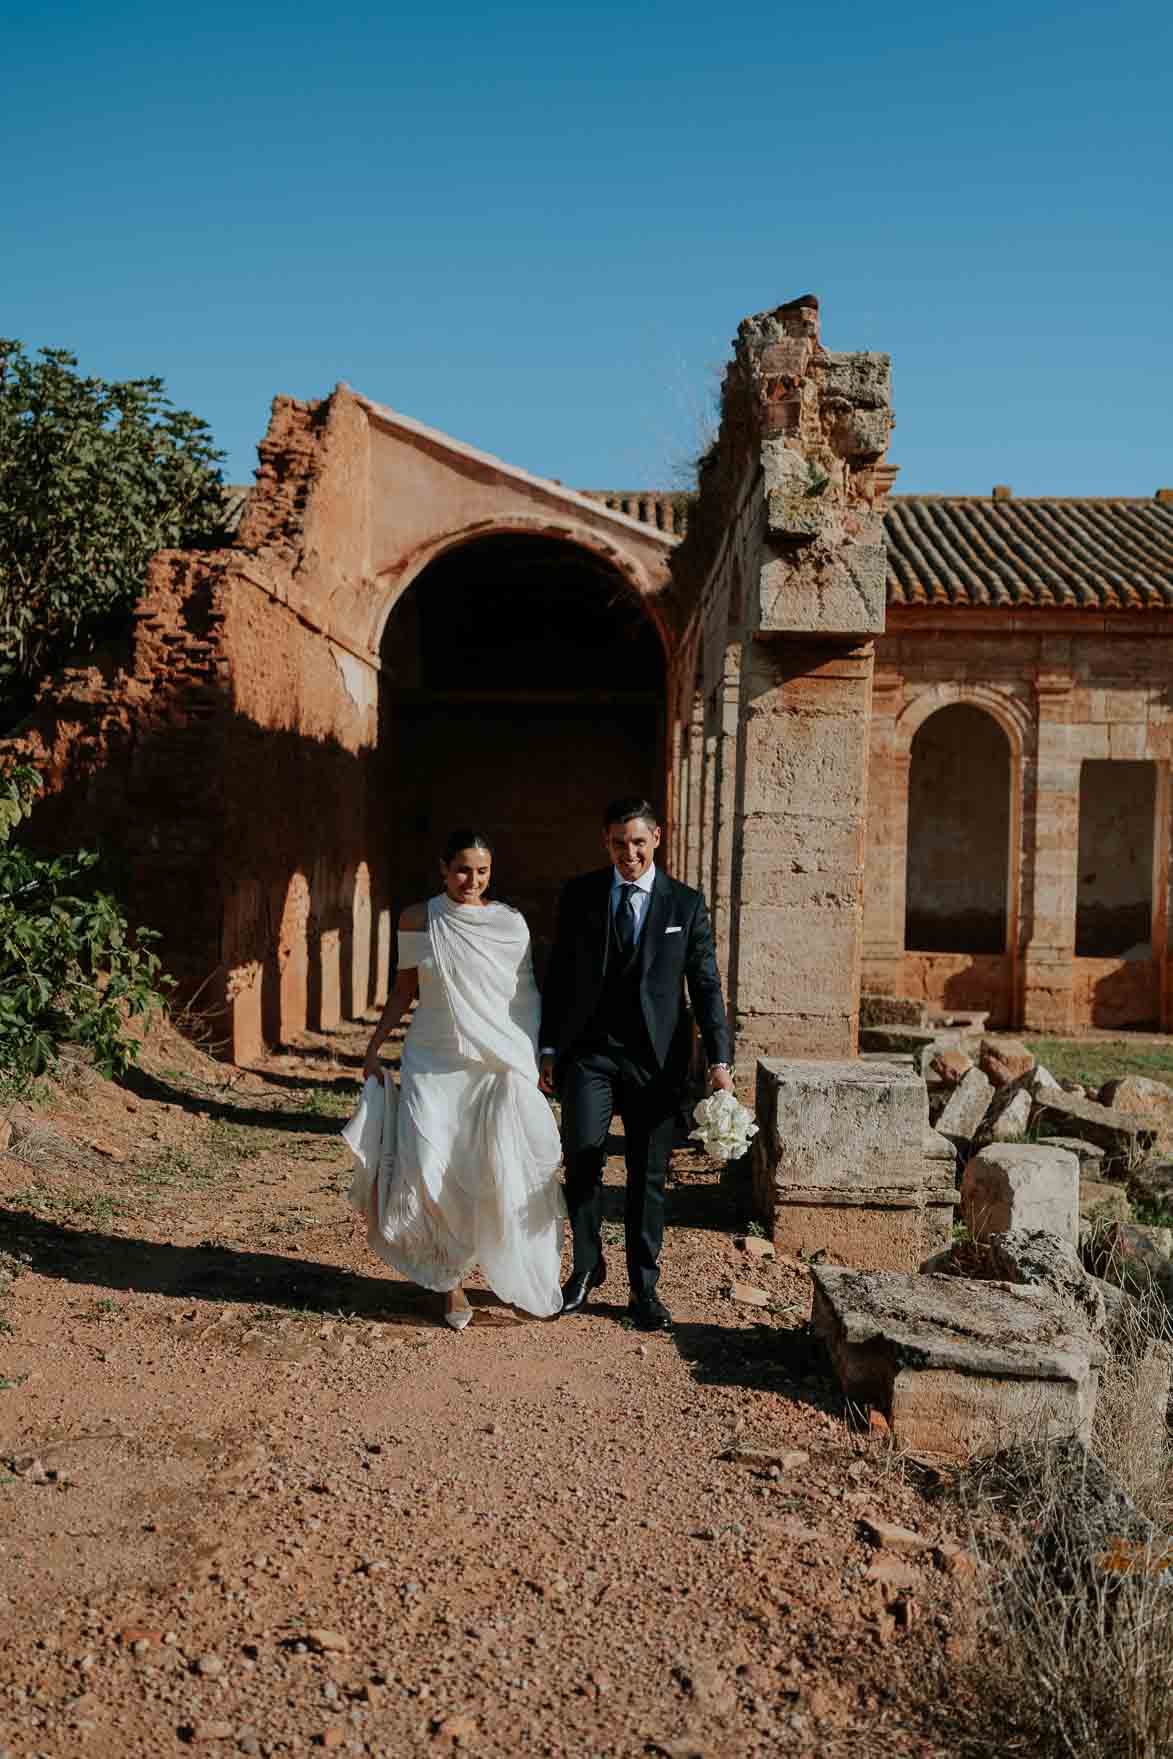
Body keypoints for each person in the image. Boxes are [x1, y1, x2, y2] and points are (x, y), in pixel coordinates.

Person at [350, 831, 564, 1329]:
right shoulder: (417, 918)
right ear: (443, 869)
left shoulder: (509, 925)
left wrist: (526, 1059)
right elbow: (404, 990)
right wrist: (375, 1044)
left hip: (491, 1062)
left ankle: (501, 1266)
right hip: (430, 1056)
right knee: (429, 1162)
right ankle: (449, 1285)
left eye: (483, 871)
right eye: (463, 870)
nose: (472, 881)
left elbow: (523, 997)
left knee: (489, 1167)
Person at [538, 797, 733, 1332]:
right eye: (620, 843)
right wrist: (549, 1048)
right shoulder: (580, 895)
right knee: (581, 1160)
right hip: (590, 1054)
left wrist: (720, 1060)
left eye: (639, 842)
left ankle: (644, 1289)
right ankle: (584, 1268)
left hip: (656, 1061)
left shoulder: (685, 906)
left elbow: (708, 986)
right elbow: (557, 979)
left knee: (648, 1179)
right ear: (606, 841)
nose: (630, 853)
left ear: (658, 838)